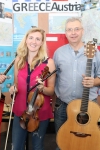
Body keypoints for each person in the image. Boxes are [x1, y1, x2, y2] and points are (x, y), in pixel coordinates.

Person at [53, 17, 100, 150]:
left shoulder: (95, 53)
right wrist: (53, 104)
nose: (73, 32)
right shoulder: (58, 53)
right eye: (69, 30)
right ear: (65, 33)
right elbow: (54, 79)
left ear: (82, 31)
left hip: (89, 106)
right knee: (62, 143)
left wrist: (95, 81)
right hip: (63, 106)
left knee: (88, 144)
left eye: (76, 29)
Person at [9, 28, 56, 150]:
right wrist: (13, 88)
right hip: (20, 111)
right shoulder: (18, 60)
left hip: (39, 113)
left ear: (41, 43)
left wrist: (42, 88)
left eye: (37, 39)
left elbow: (51, 90)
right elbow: (16, 84)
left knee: (37, 146)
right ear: (26, 40)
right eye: (31, 38)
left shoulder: (49, 63)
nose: (33, 41)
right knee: (16, 146)